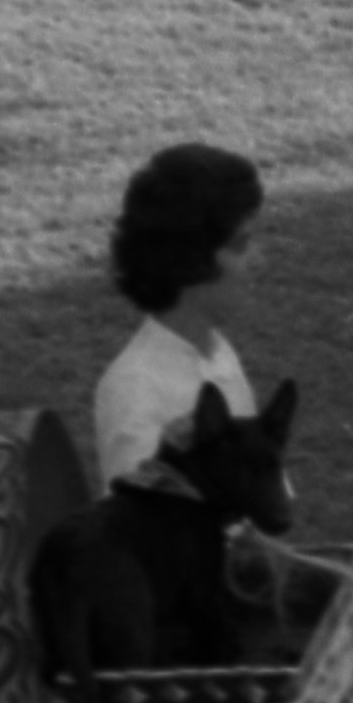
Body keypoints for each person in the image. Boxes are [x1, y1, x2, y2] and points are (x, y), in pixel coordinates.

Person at [90, 141, 271, 494]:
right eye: (240, 245)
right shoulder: (136, 391)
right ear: (192, 260)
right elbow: (140, 534)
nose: (257, 260)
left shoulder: (217, 353)